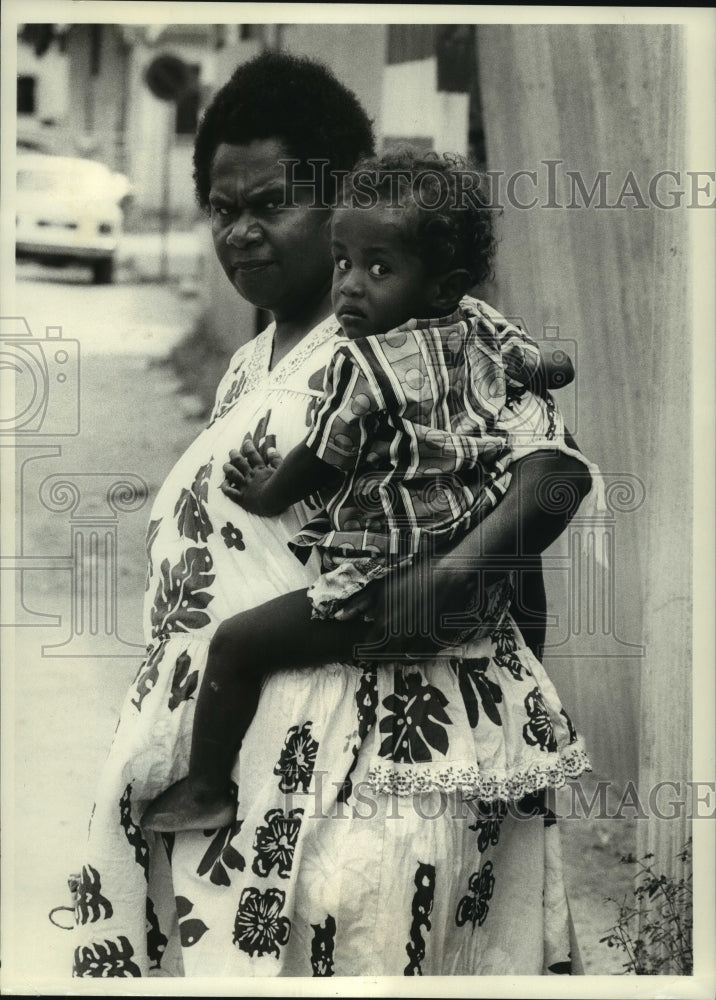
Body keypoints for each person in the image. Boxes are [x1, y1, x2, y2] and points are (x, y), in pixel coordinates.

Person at [70, 52, 593, 978]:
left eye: (273, 203)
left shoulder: (430, 336)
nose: (244, 233)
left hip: (372, 759)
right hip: (249, 767)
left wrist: (454, 577)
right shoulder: (256, 363)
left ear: (346, 196)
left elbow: (551, 470)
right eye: (225, 210)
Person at [140, 151, 594, 834]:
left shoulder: (364, 364)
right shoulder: (480, 328)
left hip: (383, 582)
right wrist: (552, 365)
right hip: (466, 584)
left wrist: (265, 494)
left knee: (237, 646)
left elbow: (323, 456)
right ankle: (528, 743)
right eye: (344, 262)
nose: (349, 287)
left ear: (444, 285)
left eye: (378, 269)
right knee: (517, 613)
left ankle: (207, 783)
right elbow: (539, 363)